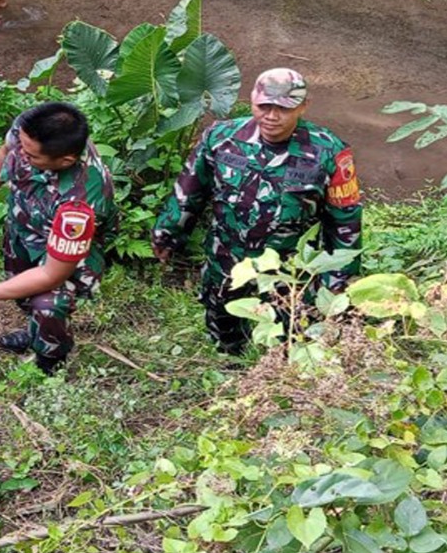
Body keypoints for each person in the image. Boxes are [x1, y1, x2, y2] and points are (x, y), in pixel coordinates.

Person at [152, 68, 363, 355]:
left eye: (283, 108)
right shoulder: (221, 137)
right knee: (224, 333)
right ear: (252, 99)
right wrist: (168, 234)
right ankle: (228, 366)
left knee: (289, 341)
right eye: (264, 106)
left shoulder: (328, 152)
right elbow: (189, 191)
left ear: (303, 106)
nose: (272, 116)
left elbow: (345, 220)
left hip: (289, 271)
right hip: (226, 260)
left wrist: (338, 279)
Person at [0, 102, 116, 375]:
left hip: (63, 254)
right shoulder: (31, 131)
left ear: (65, 160)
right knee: (19, 285)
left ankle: (50, 357)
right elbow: (5, 153)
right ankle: (35, 332)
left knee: (47, 303)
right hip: (25, 226)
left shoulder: (79, 203)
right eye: (21, 145)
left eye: (31, 155)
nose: (21, 153)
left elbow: (51, 275)